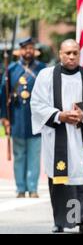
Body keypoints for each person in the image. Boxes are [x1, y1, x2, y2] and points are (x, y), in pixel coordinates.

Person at [30, 39, 83, 233]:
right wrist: (60, 115)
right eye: (68, 53)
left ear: (79, 53)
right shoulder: (46, 76)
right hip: (59, 138)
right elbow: (37, 104)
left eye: (75, 52)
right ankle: (66, 221)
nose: (72, 56)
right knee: (63, 179)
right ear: (60, 54)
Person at [0, 38, 46, 198]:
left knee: (34, 155)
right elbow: (3, 94)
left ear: (35, 50)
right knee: (19, 155)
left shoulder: (42, 69)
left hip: (36, 119)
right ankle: (20, 188)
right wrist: (4, 118)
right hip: (17, 118)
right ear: (20, 51)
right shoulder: (11, 69)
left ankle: (32, 188)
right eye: (25, 48)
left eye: (31, 48)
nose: (28, 51)